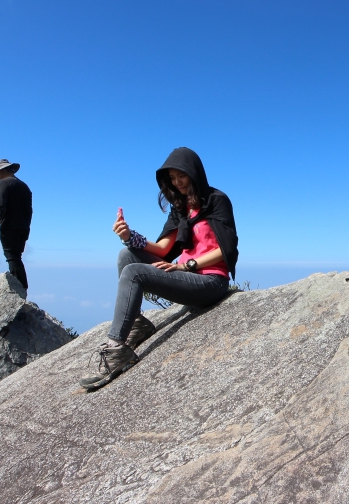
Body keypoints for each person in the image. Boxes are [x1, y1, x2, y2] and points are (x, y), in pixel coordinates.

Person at [80, 147, 239, 390]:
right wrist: (129, 236)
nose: (177, 183)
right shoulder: (180, 208)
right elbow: (164, 249)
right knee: (127, 256)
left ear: (193, 172)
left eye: (181, 176)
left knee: (134, 273)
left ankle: (116, 349)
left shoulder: (216, 200)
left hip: (211, 282)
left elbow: (226, 250)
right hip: (187, 277)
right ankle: (138, 324)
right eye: (172, 179)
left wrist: (187, 266)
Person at [0, 159, 32, 290]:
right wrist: (26, 227)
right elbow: (29, 210)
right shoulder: (24, 186)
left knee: (12, 257)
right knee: (16, 257)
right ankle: (21, 286)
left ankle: (19, 287)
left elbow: (0, 205)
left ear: (2, 170)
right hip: (23, 227)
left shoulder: (4, 183)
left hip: (9, 227)